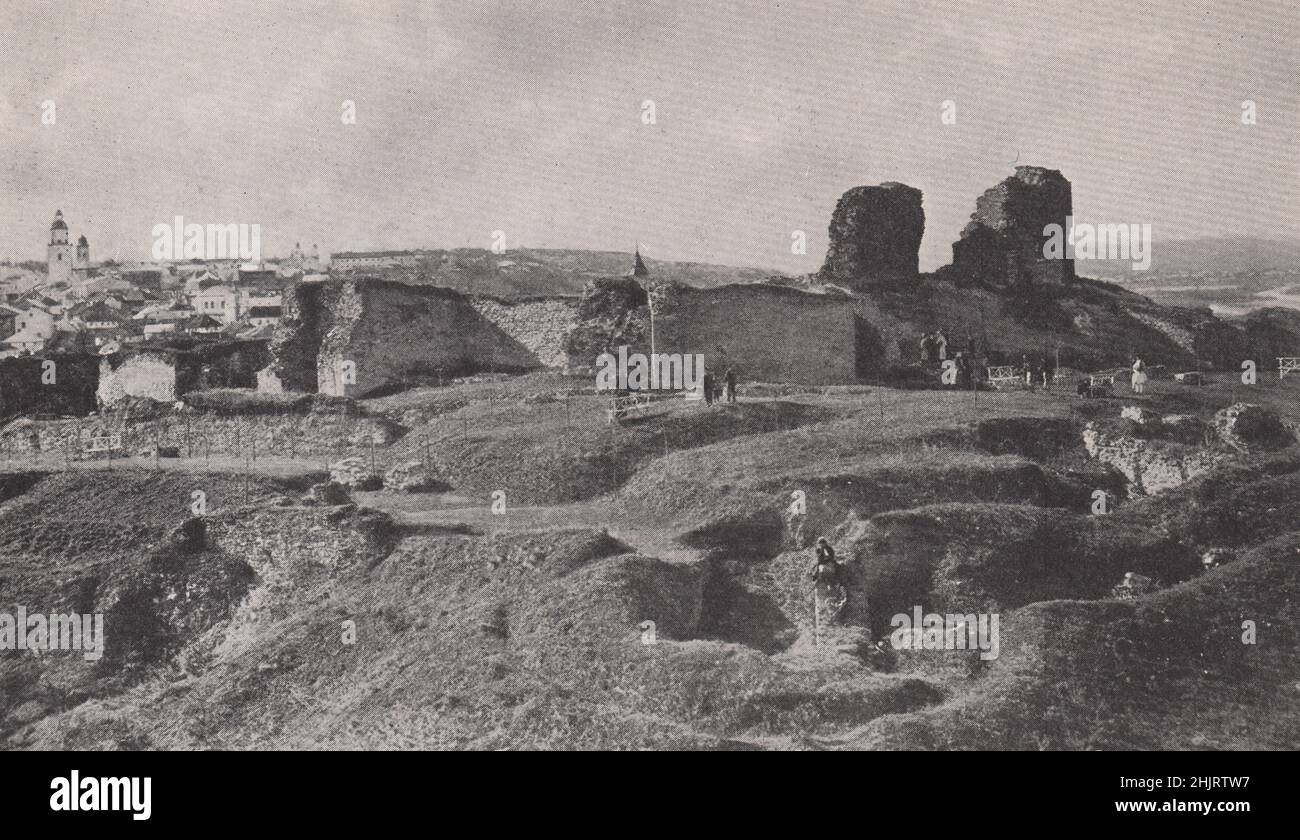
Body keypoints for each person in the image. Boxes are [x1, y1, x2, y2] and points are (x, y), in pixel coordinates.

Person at [809, 537, 847, 635]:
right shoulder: (819, 549)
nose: (822, 544)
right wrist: (821, 554)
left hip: (829, 562)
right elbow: (819, 557)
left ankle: (838, 580)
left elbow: (832, 556)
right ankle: (816, 578)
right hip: (822, 563)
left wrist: (828, 557)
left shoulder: (829, 549)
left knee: (838, 568)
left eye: (823, 543)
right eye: (820, 543)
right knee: (818, 569)